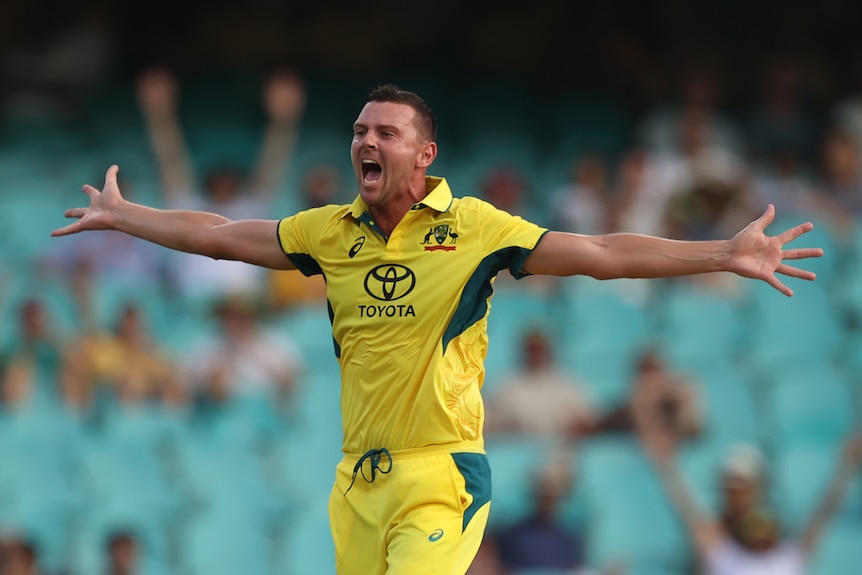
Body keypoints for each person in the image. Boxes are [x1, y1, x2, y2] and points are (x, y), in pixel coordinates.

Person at [52, 83, 823, 575]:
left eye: (385, 132)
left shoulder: (477, 227)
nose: (365, 141)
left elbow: (600, 253)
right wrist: (128, 216)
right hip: (357, 479)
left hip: (441, 472)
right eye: (359, 129)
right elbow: (220, 234)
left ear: (424, 154)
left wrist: (722, 251)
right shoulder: (328, 231)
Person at [640, 421, 862, 575]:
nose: (736, 495)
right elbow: (689, 511)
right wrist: (667, 467)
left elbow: (823, 515)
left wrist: (846, 469)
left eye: (743, 486)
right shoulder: (723, 554)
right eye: (730, 486)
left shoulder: (786, 558)